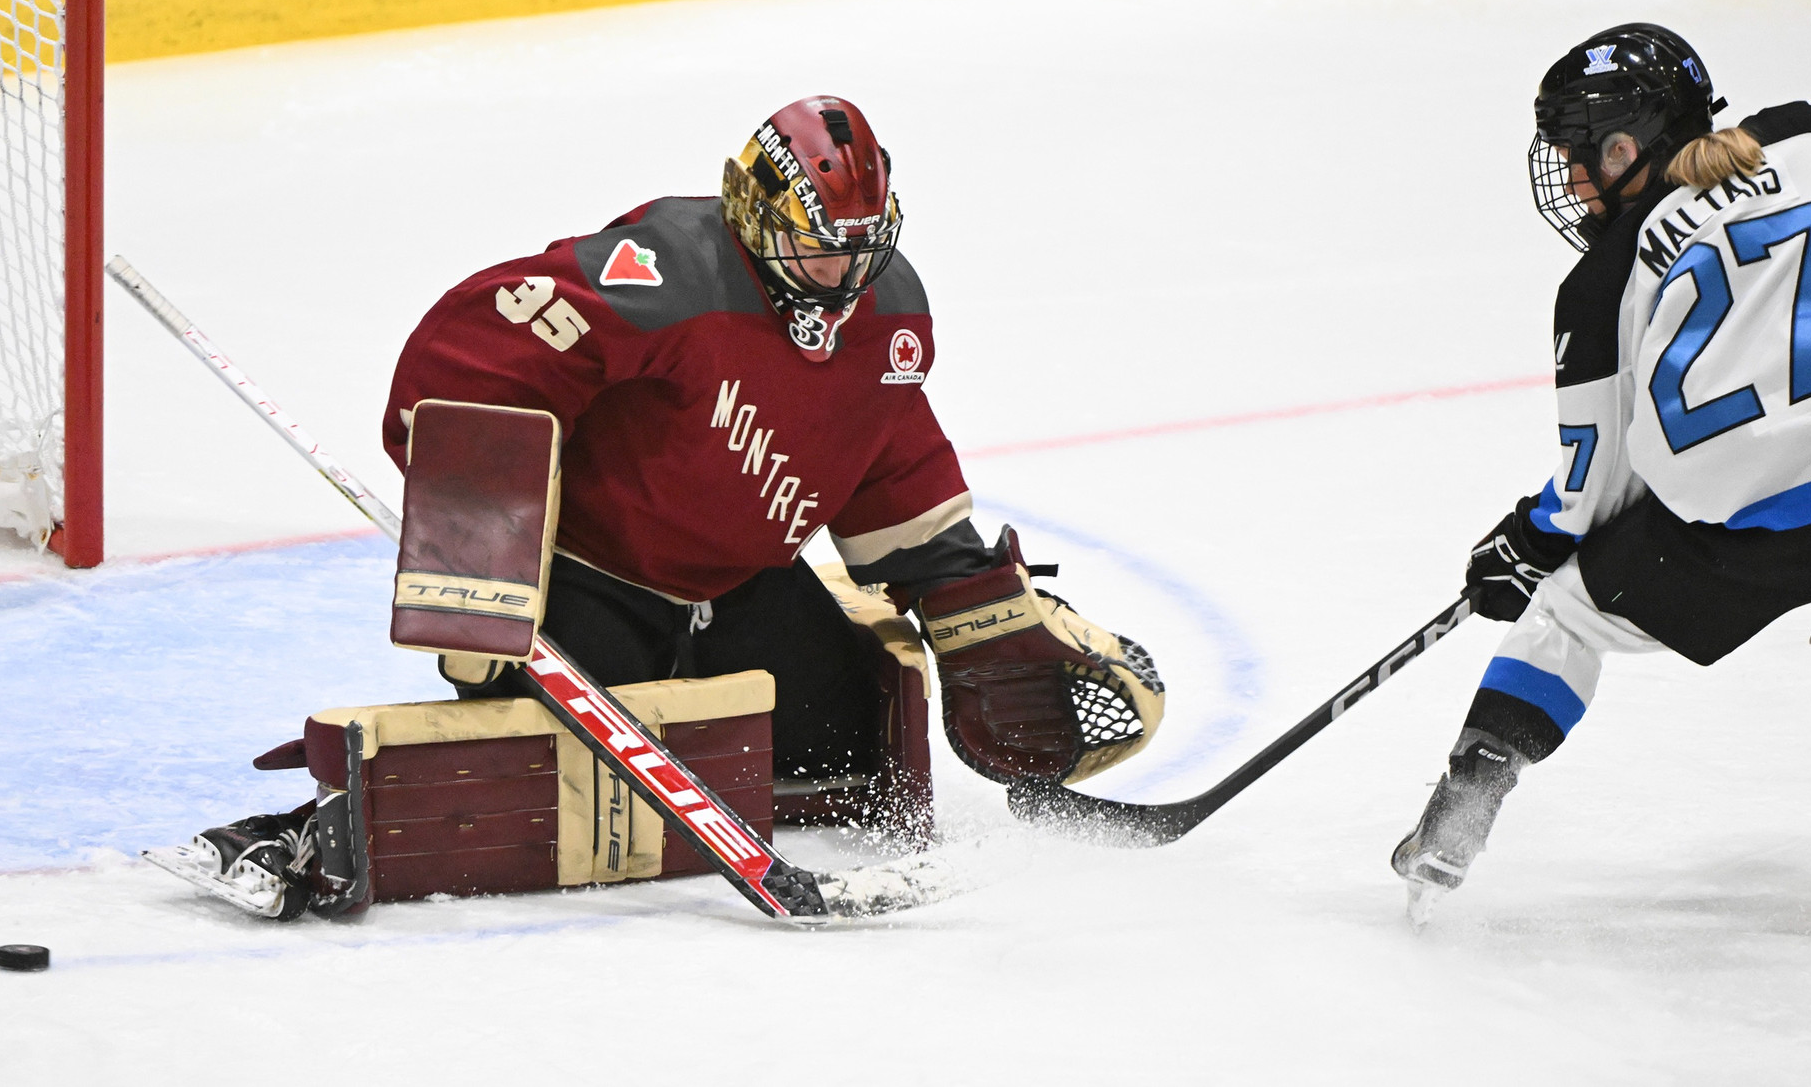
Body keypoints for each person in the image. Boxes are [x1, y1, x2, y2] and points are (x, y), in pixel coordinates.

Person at [150, 96, 1165, 919]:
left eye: (860, 246)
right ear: (760, 215)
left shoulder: (887, 306)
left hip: (742, 585)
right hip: (597, 583)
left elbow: (887, 453)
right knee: (534, 780)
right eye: (819, 249)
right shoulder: (666, 269)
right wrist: (482, 547)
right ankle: (300, 830)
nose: (843, 275)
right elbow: (473, 350)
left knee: (853, 749)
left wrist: (966, 596)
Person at [1391, 23, 1811, 922]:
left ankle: (1458, 814)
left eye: (1584, 155)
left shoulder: (1600, 283)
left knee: (1566, 613)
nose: (1576, 180)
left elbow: (1592, 498)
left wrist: (1527, 541)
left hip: (1759, 526)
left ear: (1630, 143)